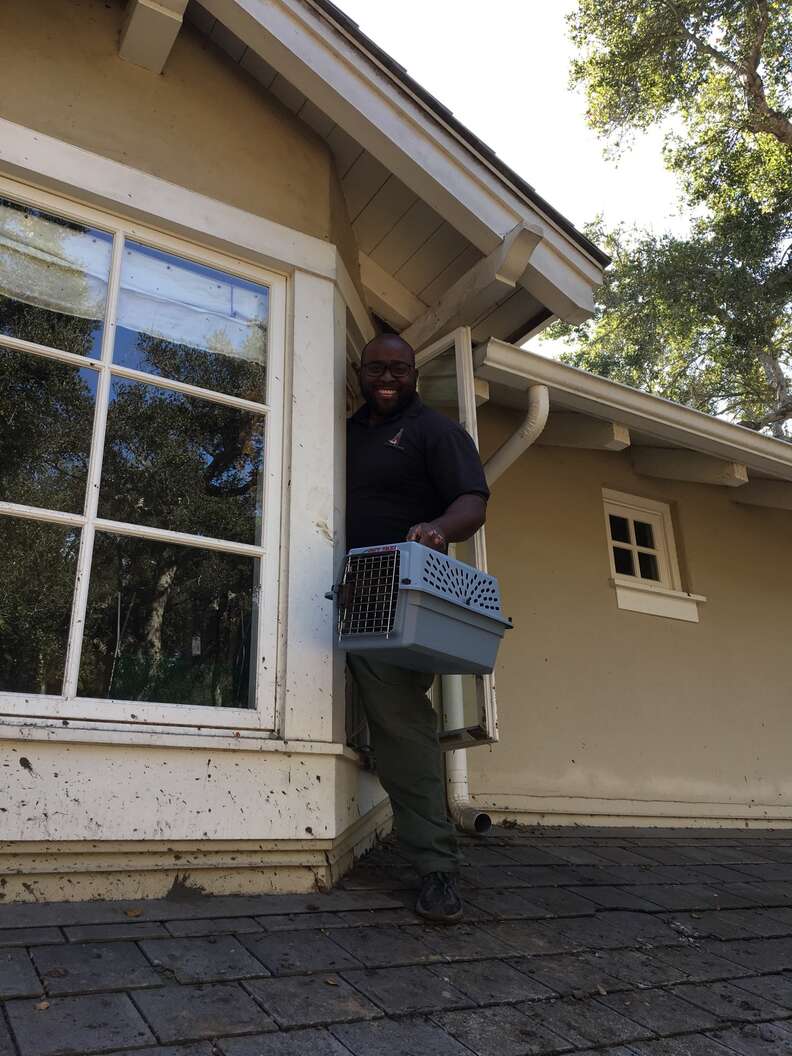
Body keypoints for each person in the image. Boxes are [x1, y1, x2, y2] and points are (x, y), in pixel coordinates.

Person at [346, 332, 489, 923]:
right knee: (391, 720)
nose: (387, 378)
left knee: (402, 724)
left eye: (399, 369)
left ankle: (436, 867)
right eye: (376, 368)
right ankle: (375, 759)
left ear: (415, 375)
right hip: (337, 579)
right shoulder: (346, 433)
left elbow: (472, 503)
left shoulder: (435, 431)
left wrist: (437, 529)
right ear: (360, 372)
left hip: (399, 589)